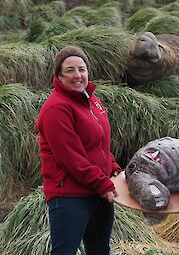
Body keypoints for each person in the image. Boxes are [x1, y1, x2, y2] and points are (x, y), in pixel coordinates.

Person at [36, 46, 122, 255]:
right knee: (64, 251)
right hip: (70, 195)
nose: (78, 75)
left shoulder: (91, 100)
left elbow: (99, 144)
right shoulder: (56, 108)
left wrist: (113, 168)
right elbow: (71, 157)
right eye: (70, 70)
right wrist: (102, 183)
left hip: (98, 191)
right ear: (59, 75)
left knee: (100, 250)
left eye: (81, 69)